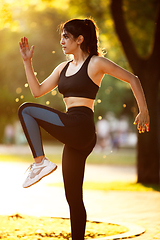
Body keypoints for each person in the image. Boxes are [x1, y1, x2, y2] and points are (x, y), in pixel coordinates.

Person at [18, 18, 150, 240]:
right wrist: (27, 63)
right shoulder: (63, 68)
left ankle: (40, 163)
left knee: (26, 110)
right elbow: (37, 90)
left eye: (66, 37)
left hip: (81, 126)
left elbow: (133, 79)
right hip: (74, 133)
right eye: (62, 37)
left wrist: (143, 110)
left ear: (80, 39)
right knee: (73, 198)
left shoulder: (96, 63)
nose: (61, 41)